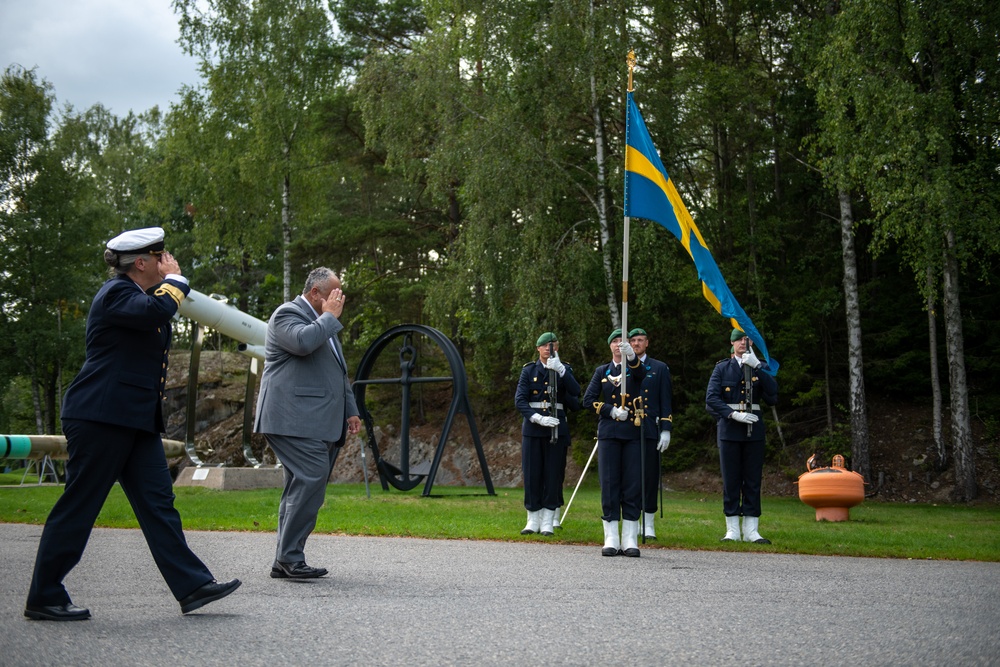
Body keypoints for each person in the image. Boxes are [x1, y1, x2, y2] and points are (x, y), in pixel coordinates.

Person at [25, 227, 241, 621]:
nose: (168, 260)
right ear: (141, 263)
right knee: (81, 504)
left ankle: (192, 584)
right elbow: (156, 311)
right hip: (101, 416)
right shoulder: (117, 294)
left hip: (135, 420)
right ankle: (44, 595)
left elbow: (156, 313)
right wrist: (176, 280)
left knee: (159, 504)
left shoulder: (139, 296)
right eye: (161, 255)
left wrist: (170, 284)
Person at [254, 267, 362, 579]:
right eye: (333, 294)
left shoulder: (325, 325)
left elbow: (337, 371)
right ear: (315, 293)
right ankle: (290, 557)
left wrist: (350, 409)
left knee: (300, 486)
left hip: (314, 420)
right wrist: (329, 317)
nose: (339, 300)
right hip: (290, 418)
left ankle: (284, 560)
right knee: (312, 478)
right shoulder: (287, 314)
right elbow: (302, 343)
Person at [705, 328, 779, 544]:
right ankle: (732, 529)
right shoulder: (722, 368)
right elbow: (711, 399)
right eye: (739, 340)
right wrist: (732, 414)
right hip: (730, 429)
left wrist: (758, 367)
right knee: (731, 480)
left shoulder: (760, 367)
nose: (742, 343)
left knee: (753, 479)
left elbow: (773, 395)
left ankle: (751, 530)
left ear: (752, 343)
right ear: (732, 343)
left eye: (746, 339)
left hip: (754, 430)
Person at [582, 329, 647, 557]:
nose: (619, 344)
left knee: (632, 484)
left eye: (624, 341)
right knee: (609, 483)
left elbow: (642, 377)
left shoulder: (635, 368)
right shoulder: (602, 371)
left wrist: (632, 358)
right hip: (609, 433)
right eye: (616, 341)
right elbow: (587, 400)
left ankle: (630, 537)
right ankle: (611, 535)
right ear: (610, 346)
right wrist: (609, 410)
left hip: (631, 433)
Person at [514, 332, 581, 536]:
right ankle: (532, 519)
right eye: (544, 345)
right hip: (534, 429)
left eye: (551, 345)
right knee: (533, 474)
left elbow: (576, 392)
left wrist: (561, 371)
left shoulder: (564, 369)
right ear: (538, 348)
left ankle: (548, 520)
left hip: (556, 429)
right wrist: (537, 418)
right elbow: (520, 400)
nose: (547, 349)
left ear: (557, 348)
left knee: (553, 474)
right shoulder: (529, 370)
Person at [628, 328, 673, 540]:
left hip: (650, 429)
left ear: (647, 343)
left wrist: (666, 429)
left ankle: (648, 523)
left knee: (649, 476)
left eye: (640, 340)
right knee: (632, 478)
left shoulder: (659, 367)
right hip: (627, 430)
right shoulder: (622, 366)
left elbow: (666, 400)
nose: (636, 344)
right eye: (633, 340)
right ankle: (632, 521)